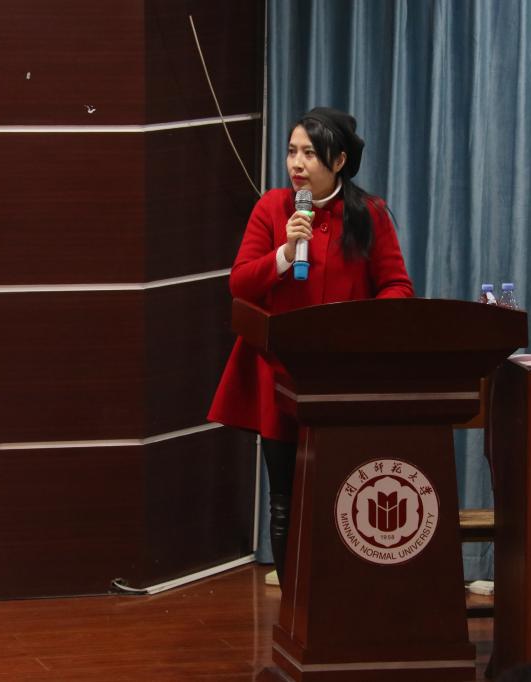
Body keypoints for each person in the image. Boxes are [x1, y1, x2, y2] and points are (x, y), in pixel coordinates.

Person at [207, 106, 415, 585]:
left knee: (346, 491)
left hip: (345, 376)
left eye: (310, 153)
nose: (297, 164)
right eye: (291, 152)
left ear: (339, 161)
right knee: (285, 496)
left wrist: (363, 327)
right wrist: (284, 253)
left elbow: (397, 286)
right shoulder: (272, 208)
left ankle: (344, 595)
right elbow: (240, 283)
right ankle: (294, 605)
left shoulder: (370, 214)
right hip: (280, 373)